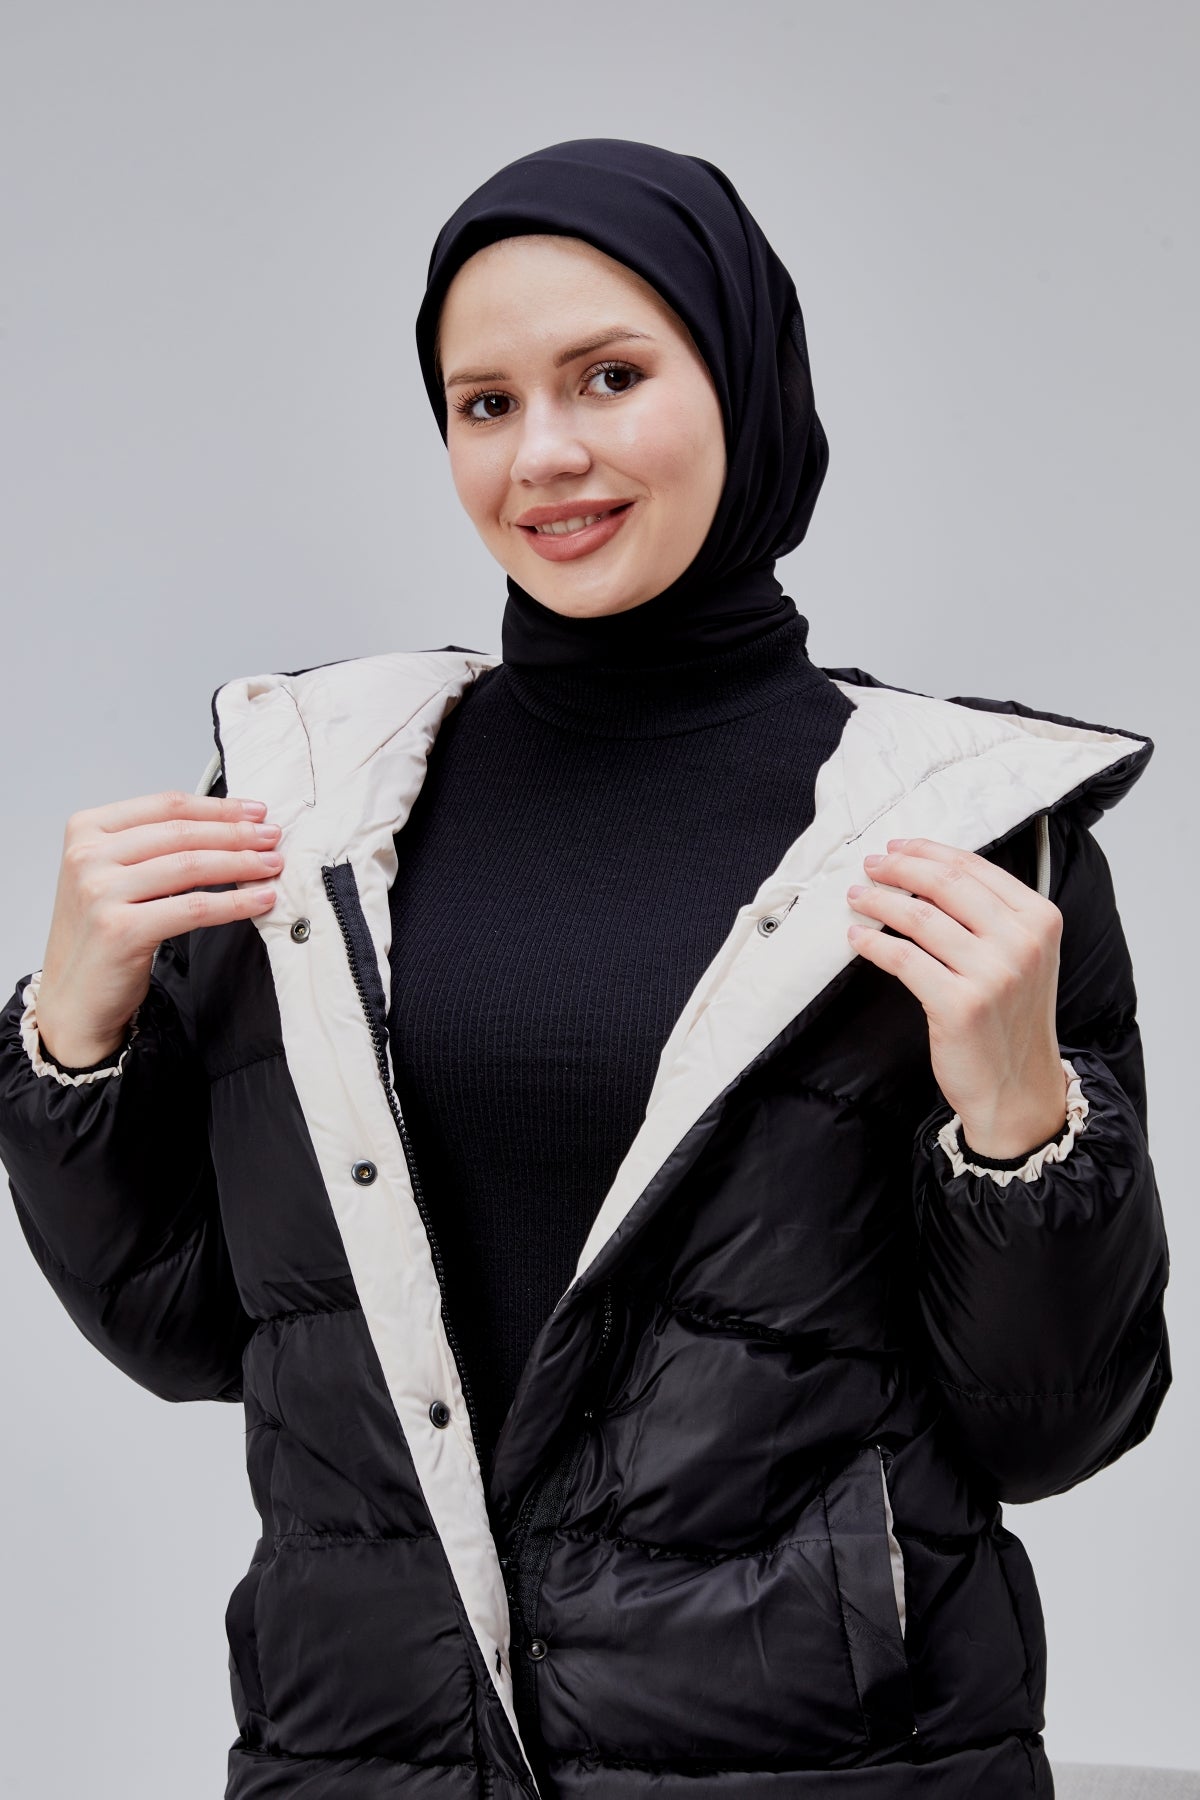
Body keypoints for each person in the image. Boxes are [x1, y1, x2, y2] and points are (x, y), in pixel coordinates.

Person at [0, 138, 1170, 1800]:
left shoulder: (965, 838)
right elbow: (198, 1334)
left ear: (746, 381)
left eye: (610, 377)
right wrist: (72, 1046)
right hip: (371, 1757)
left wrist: (1018, 1131)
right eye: (483, 404)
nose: (543, 453)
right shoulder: (310, 819)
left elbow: (1053, 1427)